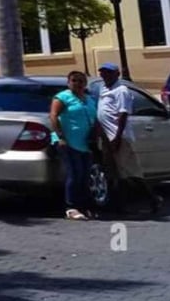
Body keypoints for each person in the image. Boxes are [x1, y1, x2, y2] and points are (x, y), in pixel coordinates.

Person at [92, 62, 162, 214]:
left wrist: (117, 137)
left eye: (109, 72)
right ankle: (119, 204)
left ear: (117, 74)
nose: (105, 75)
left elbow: (123, 114)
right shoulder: (103, 89)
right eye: (103, 72)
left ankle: (152, 198)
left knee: (129, 171)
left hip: (119, 137)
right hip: (106, 137)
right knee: (113, 172)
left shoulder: (121, 90)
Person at [50, 69, 99, 221]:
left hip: (86, 144)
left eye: (81, 81)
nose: (78, 84)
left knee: (85, 176)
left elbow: (96, 119)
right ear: (68, 82)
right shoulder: (63, 97)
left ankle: (85, 206)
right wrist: (61, 137)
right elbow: (53, 116)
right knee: (74, 174)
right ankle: (71, 207)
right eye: (74, 80)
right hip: (69, 143)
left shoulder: (89, 99)